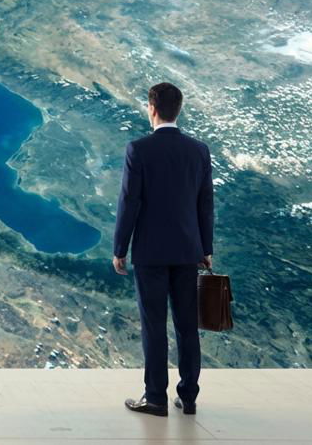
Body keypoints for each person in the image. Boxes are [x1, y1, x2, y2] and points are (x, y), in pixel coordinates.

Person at [112, 82, 214, 417]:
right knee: (187, 326)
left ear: (151, 108)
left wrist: (120, 248)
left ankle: (155, 397)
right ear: (178, 109)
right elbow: (205, 204)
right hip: (188, 250)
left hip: (150, 252)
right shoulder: (199, 150)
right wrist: (206, 247)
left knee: (154, 325)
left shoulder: (138, 149)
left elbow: (130, 202)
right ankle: (189, 397)